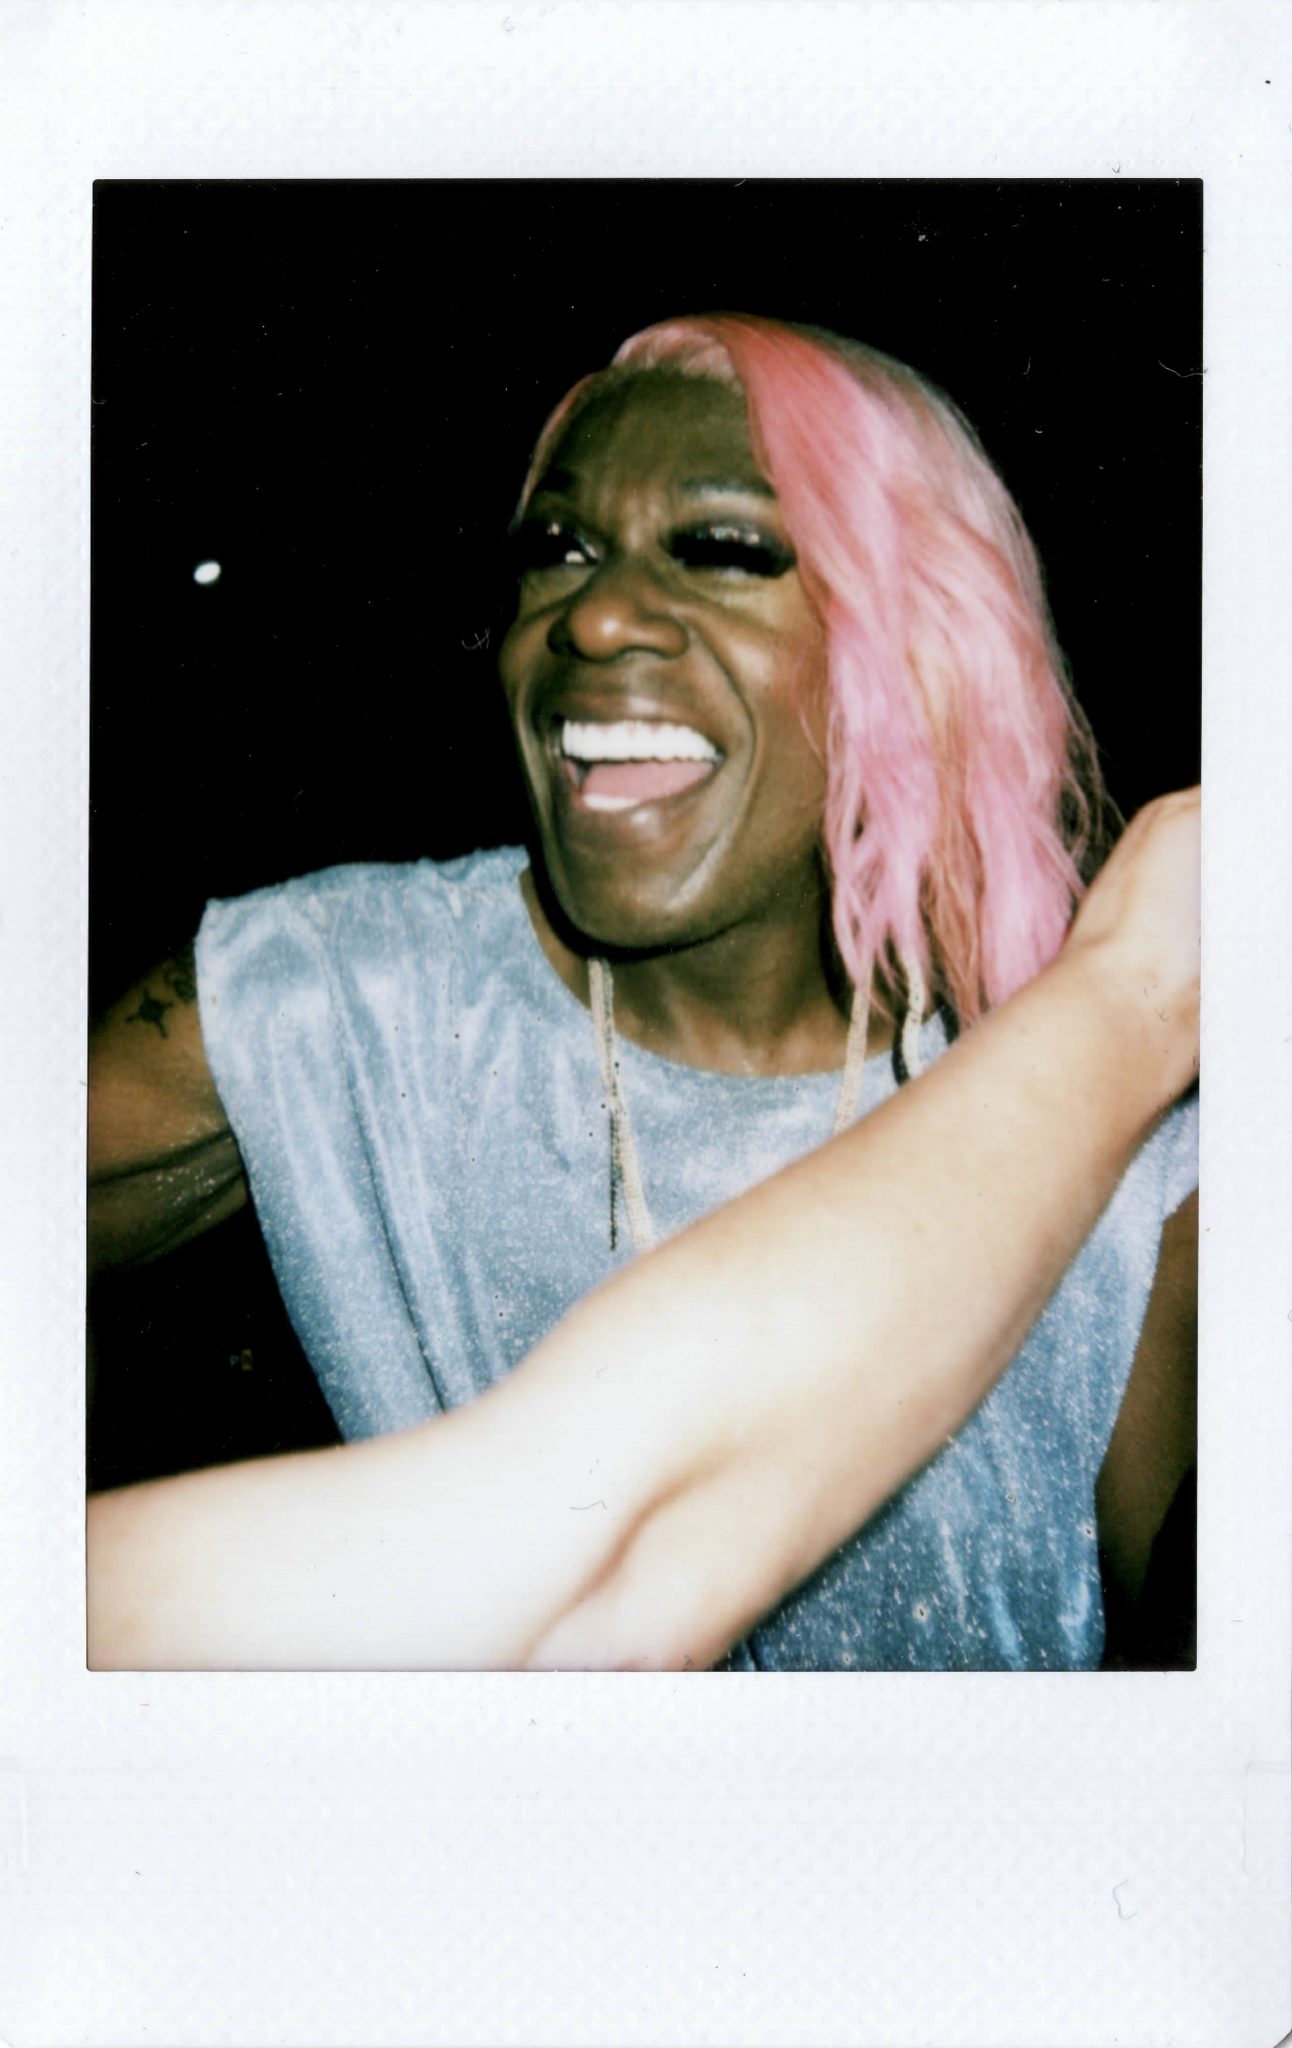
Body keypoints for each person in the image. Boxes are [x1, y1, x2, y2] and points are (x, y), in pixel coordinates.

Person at [88, 313, 1199, 1672]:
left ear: (920, 648)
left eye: (721, 548)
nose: (594, 614)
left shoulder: (1123, 1136)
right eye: (557, 548)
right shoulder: (350, 997)